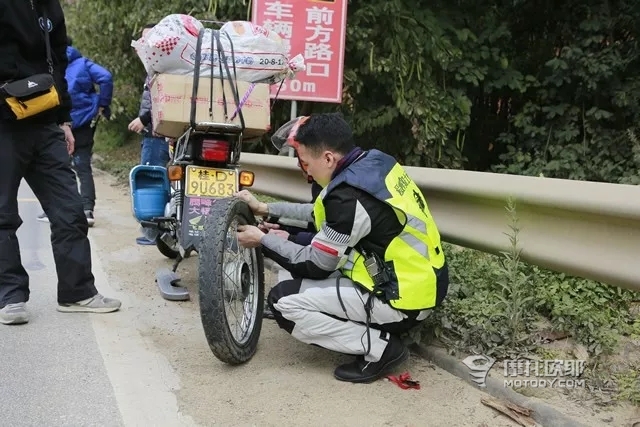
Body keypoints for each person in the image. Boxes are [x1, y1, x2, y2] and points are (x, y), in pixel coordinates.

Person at [235, 113, 449, 383]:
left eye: (305, 162)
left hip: (402, 298)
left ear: (327, 158)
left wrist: (262, 240)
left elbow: (316, 264)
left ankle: (381, 349)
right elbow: (322, 215)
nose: (305, 170)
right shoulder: (373, 162)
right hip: (419, 280)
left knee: (282, 301)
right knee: (294, 256)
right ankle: (377, 329)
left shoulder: (349, 197)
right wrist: (267, 209)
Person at [0, 0, 122, 325]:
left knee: (70, 209)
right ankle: (10, 296)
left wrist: (64, 119)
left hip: (44, 122)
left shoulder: (49, 6)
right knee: (2, 216)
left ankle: (77, 292)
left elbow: (59, 62)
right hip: (3, 124)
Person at [37, 36, 113, 227]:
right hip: (84, 123)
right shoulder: (83, 63)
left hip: (57, 123)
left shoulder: (50, 64)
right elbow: (106, 77)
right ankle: (87, 210)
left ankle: (57, 210)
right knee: (83, 166)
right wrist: (102, 104)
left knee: (58, 168)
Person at [128, 23, 171, 245]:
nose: (142, 45)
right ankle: (164, 232)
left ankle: (153, 234)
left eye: (148, 39)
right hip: (164, 134)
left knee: (152, 181)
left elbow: (162, 99)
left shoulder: (161, 68)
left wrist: (143, 119)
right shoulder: (163, 66)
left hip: (157, 135)